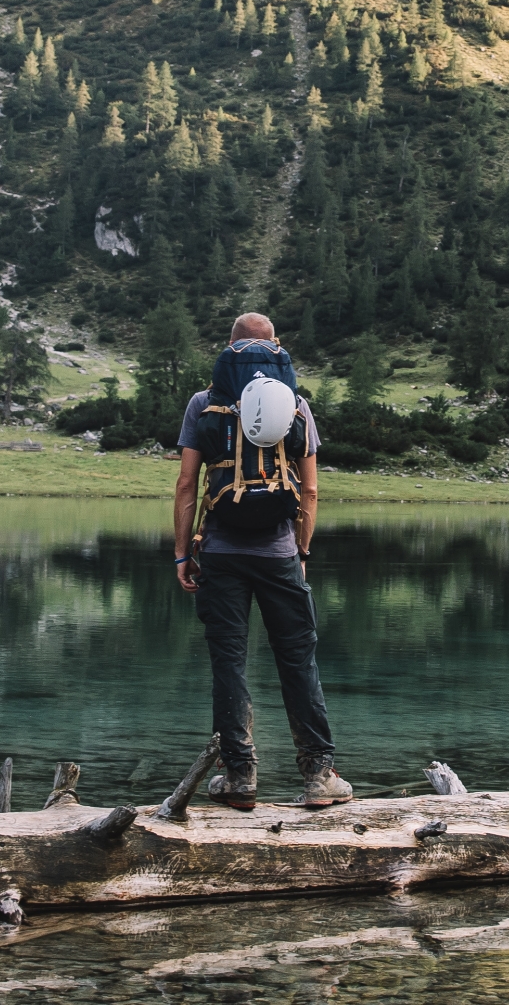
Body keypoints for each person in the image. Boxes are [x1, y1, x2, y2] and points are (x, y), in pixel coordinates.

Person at [170, 312, 352, 809]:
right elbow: (310, 489)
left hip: (221, 554)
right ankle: (318, 775)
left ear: (228, 348)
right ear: (276, 348)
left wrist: (183, 553)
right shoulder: (297, 406)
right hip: (279, 555)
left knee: (229, 661)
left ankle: (239, 776)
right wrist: (301, 550)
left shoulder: (204, 403)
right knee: (298, 660)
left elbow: (187, 485)